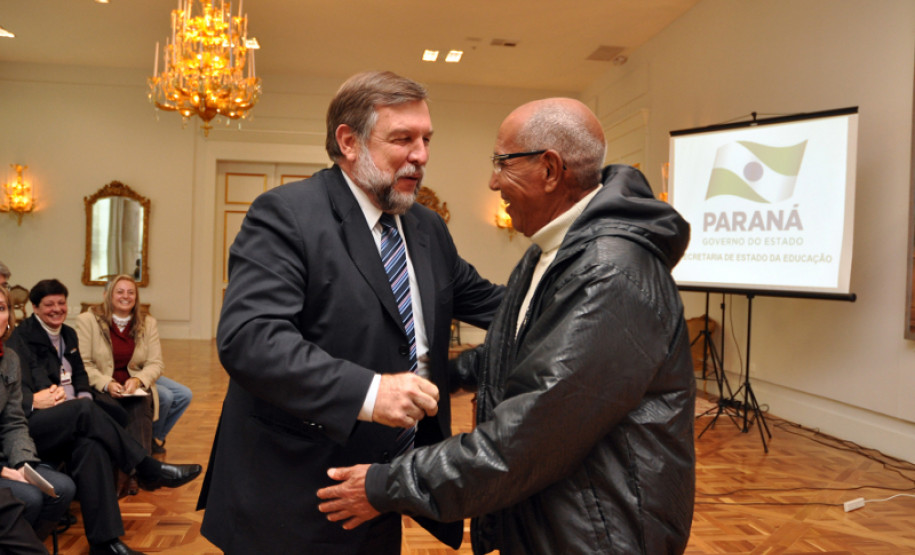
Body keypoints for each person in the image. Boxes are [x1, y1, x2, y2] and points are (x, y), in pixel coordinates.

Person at [317, 98, 696, 554]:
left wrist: (385, 485)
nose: (494, 182)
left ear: (550, 170)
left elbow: (526, 439)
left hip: (596, 534)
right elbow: (522, 347)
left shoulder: (611, 273)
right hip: (555, 515)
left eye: (502, 163)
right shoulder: (552, 251)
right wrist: (442, 378)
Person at [197, 70, 505, 554]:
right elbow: (250, 339)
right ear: (349, 141)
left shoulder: (426, 228)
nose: (421, 155)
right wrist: (370, 391)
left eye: (426, 139)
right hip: (292, 493)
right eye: (402, 139)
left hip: (381, 488)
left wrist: (576, 277)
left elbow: (494, 303)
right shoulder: (287, 215)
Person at [7, 278, 203, 555]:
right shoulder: (20, 340)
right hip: (33, 425)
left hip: (69, 416)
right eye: (49, 304)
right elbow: (19, 396)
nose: (57, 309)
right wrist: (35, 400)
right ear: (35, 308)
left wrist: (84, 395)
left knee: (93, 446)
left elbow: (80, 375)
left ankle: (105, 543)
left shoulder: (68, 334)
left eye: (61, 303)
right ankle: (147, 467)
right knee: (85, 410)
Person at [77, 275, 191, 493]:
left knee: (141, 407)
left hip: (132, 384)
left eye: (130, 292)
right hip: (102, 384)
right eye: (119, 291)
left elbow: (156, 363)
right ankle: (128, 472)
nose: (125, 296)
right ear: (107, 295)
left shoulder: (147, 322)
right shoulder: (88, 320)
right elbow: (84, 363)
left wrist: (138, 380)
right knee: (114, 411)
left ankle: (137, 474)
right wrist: (106, 383)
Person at [0, 284, 76, 542]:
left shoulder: (9, 358)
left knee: (63, 488)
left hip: (7, 454)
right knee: (29, 497)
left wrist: (23, 464)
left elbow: (13, 421)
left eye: (1, 308)